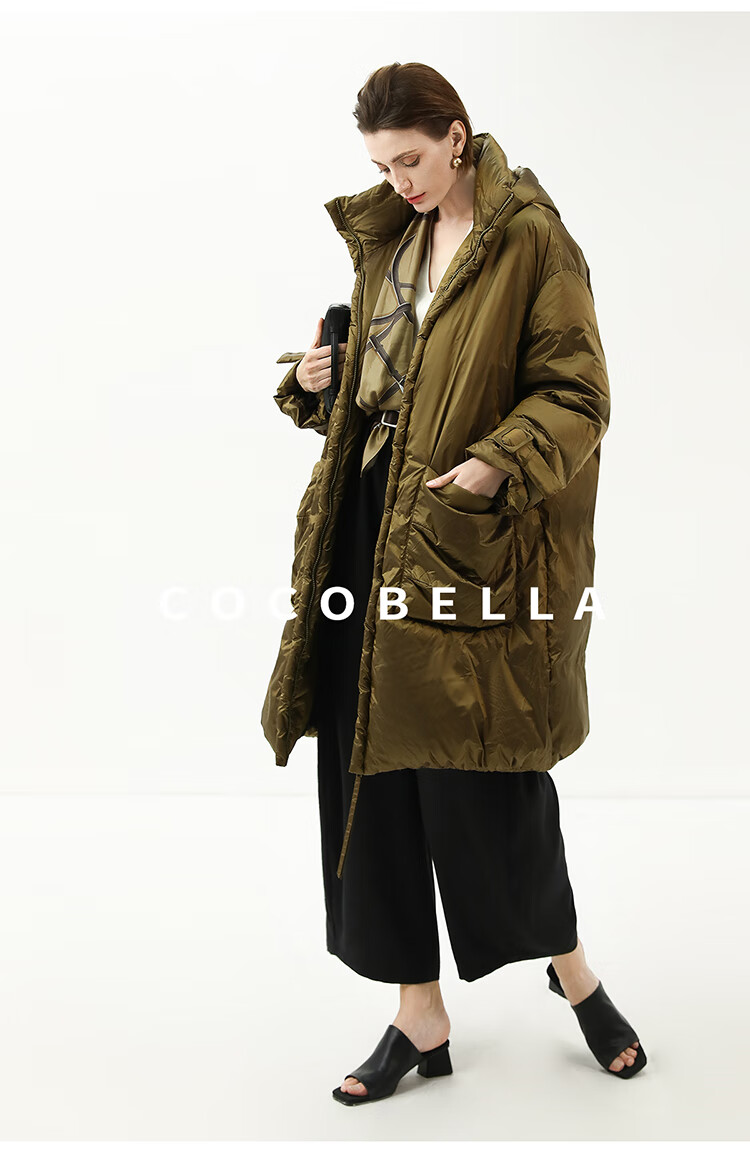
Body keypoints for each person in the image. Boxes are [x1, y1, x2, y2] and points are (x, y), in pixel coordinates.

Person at [261, 62, 647, 1105]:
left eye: (412, 160)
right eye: (383, 165)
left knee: (488, 772)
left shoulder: (531, 241)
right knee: (367, 773)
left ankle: (574, 971)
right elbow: (386, 382)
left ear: (458, 137)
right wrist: (317, 379)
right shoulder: (393, 237)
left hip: (466, 539)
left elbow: (578, 394)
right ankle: (416, 1010)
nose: (399, 182)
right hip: (364, 532)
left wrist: (495, 463)